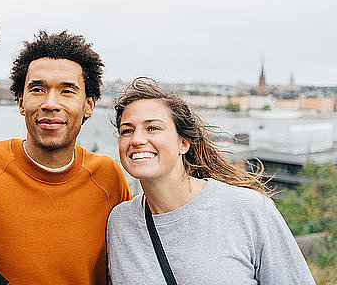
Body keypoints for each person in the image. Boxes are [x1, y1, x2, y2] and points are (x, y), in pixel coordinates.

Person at [106, 78, 316, 284]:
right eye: (127, 130)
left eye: (152, 128)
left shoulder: (249, 210)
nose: (136, 139)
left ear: (183, 142)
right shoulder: (120, 223)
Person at [0, 31, 132, 285]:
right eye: (38, 89)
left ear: (89, 104)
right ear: (21, 101)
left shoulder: (109, 177)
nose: (51, 103)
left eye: (67, 91)